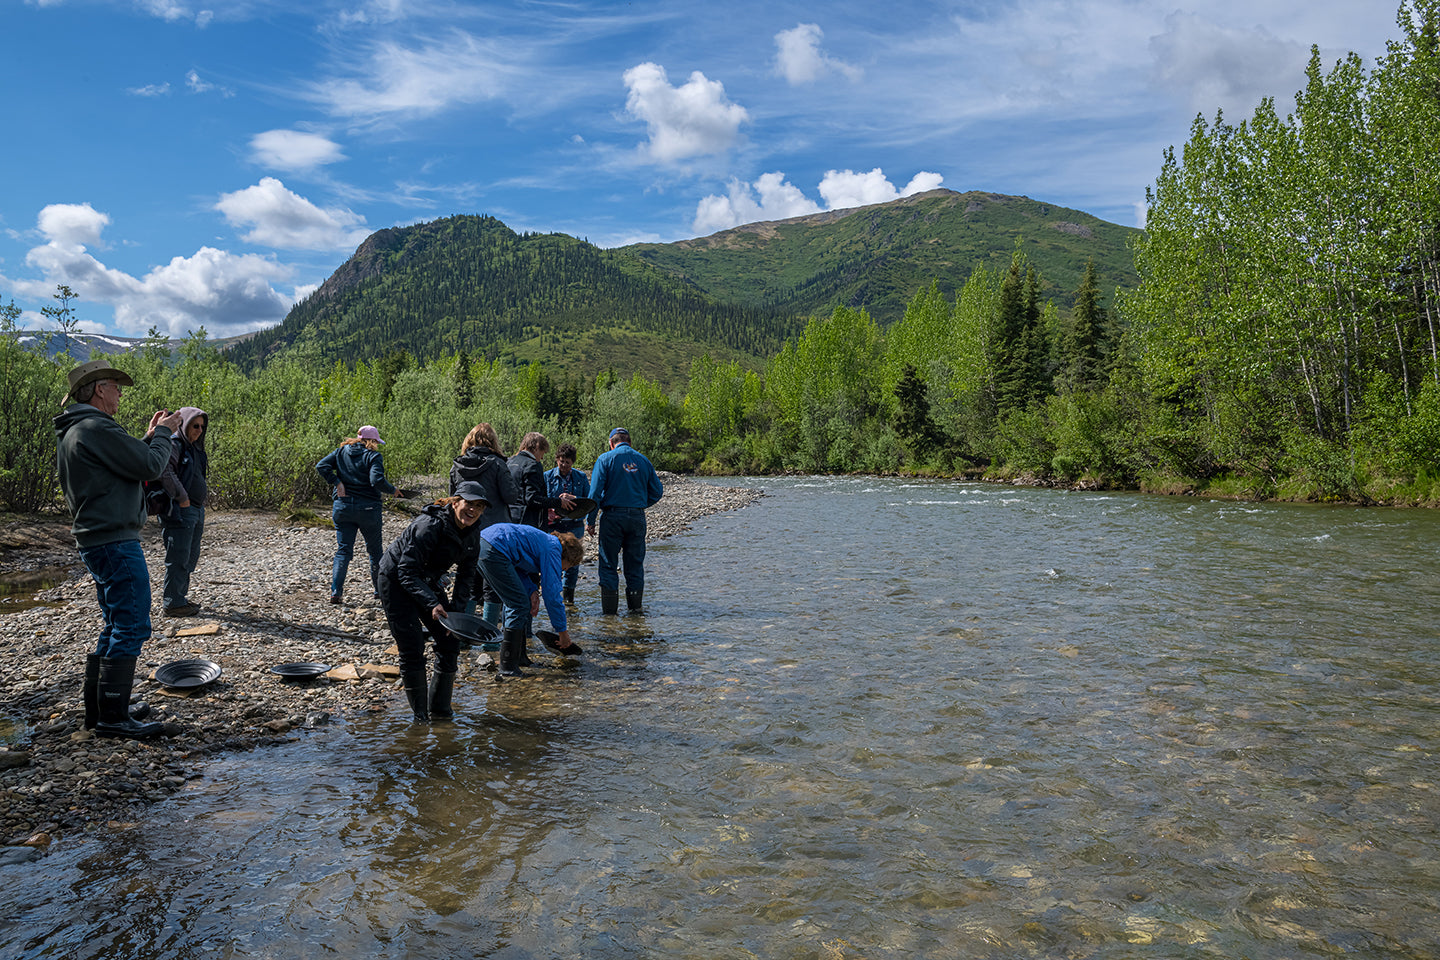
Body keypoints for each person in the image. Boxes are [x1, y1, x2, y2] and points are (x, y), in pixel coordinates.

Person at [54, 358, 181, 740]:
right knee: (132, 623)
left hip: (99, 539)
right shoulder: (94, 427)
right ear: (97, 390)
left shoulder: (80, 429)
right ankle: (113, 718)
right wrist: (162, 434)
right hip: (113, 540)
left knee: (115, 621)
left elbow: (125, 463)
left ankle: (104, 708)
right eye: (115, 386)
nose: (120, 393)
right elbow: (150, 466)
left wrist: (145, 438)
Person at [376, 482, 489, 723]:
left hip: (428, 579)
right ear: (455, 502)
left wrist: (456, 615)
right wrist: (431, 604)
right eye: (469, 504)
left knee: (450, 642)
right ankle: (420, 717)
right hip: (396, 578)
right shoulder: (429, 525)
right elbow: (406, 571)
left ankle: (440, 713)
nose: (473, 511)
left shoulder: (473, 531)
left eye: (479, 507)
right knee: (412, 647)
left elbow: (466, 575)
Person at [477, 523, 584, 679]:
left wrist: (531, 590)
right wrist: (563, 632)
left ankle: (519, 658)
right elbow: (552, 595)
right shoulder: (554, 550)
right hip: (495, 548)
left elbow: (516, 567)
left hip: (485, 542)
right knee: (519, 604)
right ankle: (508, 667)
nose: (566, 569)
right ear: (567, 556)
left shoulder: (546, 543)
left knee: (516, 601)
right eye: (569, 565)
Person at [316, 425, 396, 604]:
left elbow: (321, 466)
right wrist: (393, 490)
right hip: (368, 509)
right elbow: (376, 480)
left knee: (343, 550)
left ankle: (336, 592)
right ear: (372, 441)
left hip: (343, 507)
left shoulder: (341, 451)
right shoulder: (373, 456)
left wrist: (336, 482)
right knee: (375, 552)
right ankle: (379, 592)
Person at [449, 422, 520, 623]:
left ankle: (463, 634)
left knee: (470, 583)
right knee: (493, 586)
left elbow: (452, 499)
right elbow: (511, 496)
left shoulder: (457, 465)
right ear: (492, 441)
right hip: (495, 531)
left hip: (466, 528)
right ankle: (488, 639)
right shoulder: (497, 464)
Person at [587, 427, 663, 614]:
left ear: (611, 443)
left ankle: (610, 617)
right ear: (630, 442)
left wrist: (590, 520)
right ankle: (636, 612)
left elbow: (595, 493)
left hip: (612, 516)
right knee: (635, 564)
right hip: (637, 516)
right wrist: (640, 504)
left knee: (608, 564)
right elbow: (658, 492)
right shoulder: (643, 460)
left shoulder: (605, 459)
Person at [155, 406, 208, 617]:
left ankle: (179, 597)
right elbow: (164, 471)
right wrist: (182, 497)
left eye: (202, 427)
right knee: (178, 556)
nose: (199, 430)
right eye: (195, 425)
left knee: (190, 555)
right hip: (180, 510)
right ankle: (172, 603)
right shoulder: (175, 444)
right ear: (184, 424)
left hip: (195, 509)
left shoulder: (195, 448)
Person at [543, 441, 591, 605]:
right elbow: (542, 500)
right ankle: (554, 596)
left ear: (572, 463)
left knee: (573, 563)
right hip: (554, 525)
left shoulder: (581, 477)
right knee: (554, 560)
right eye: (561, 461)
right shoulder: (547, 477)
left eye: (567, 462)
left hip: (575, 524)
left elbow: (589, 500)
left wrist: (575, 499)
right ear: (556, 459)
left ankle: (569, 599)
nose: (563, 465)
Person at [508, 432, 576, 528]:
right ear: (536, 448)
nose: (542, 457)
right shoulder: (532, 465)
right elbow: (532, 498)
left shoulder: (510, 461)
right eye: (542, 452)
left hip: (508, 518)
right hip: (526, 521)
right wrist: (558, 502)